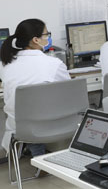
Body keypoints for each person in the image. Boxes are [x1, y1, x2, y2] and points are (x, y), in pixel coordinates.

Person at [0, 19, 70, 155]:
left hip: (20, 127)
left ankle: (36, 152)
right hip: (51, 125)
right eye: (46, 34)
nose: (48, 37)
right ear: (36, 40)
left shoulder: (7, 65)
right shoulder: (54, 64)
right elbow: (69, 94)